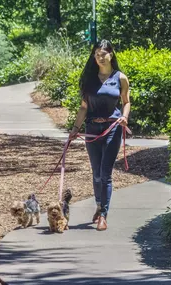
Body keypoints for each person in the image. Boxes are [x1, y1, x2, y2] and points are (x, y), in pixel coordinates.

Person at [69, 39, 130, 231]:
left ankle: (103, 214)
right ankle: (98, 204)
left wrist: (125, 117)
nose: (100, 57)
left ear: (111, 54)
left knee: (105, 174)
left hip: (112, 128)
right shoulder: (89, 79)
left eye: (103, 54)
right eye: (96, 54)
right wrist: (75, 129)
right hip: (92, 130)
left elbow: (126, 102)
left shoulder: (120, 78)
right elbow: (84, 107)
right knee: (96, 174)